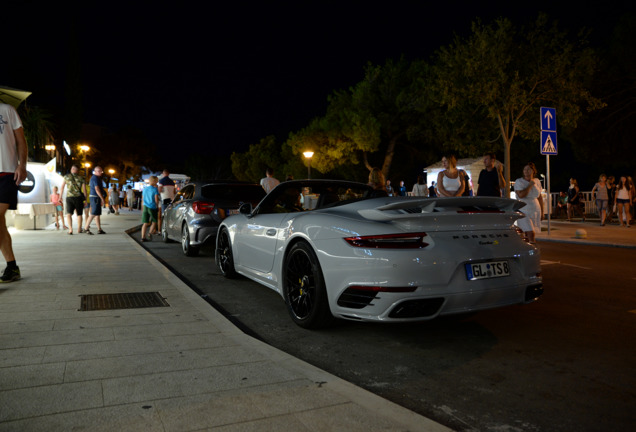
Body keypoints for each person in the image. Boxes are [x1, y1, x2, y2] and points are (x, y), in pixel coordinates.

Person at [0, 102, 28, 283]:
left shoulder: (7, 110)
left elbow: (20, 141)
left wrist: (22, 165)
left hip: (6, 172)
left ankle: (12, 267)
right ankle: (12, 267)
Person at [514, 162, 543, 243]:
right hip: (523, 209)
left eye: (528, 169)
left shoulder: (537, 181)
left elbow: (540, 197)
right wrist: (530, 185)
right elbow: (521, 195)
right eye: (525, 169)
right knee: (530, 232)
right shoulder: (519, 181)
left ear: (533, 171)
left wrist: (542, 212)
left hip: (535, 209)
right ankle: (532, 248)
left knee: (531, 231)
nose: (526, 171)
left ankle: (527, 246)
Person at [59, 164, 88, 235]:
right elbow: (84, 190)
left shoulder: (66, 177)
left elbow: (62, 187)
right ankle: (79, 229)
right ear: (77, 171)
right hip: (78, 198)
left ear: (72, 169)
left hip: (69, 197)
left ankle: (70, 229)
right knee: (79, 214)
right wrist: (85, 200)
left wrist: (60, 197)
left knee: (68, 214)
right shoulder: (81, 178)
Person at [84, 166, 107, 234]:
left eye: (101, 171)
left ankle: (99, 229)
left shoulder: (97, 178)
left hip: (95, 197)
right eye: (99, 171)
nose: (101, 172)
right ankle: (86, 228)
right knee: (93, 213)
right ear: (95, 171)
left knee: (97, 214)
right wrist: (102, 198)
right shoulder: (95, 178)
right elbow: (97, 189)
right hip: (95, 197)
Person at [141, 176, 160, 241]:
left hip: (145, 207)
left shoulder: (145, 189)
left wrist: (142, 207)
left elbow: (143, 199)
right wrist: (157, 206)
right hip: (152, 207)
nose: (157, 182)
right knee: (154, 221)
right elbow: (156, 200)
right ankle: (149, 233)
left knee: (145, 223)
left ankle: (143, 237)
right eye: (157, 181)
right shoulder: (155, 189)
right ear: (154, 181)